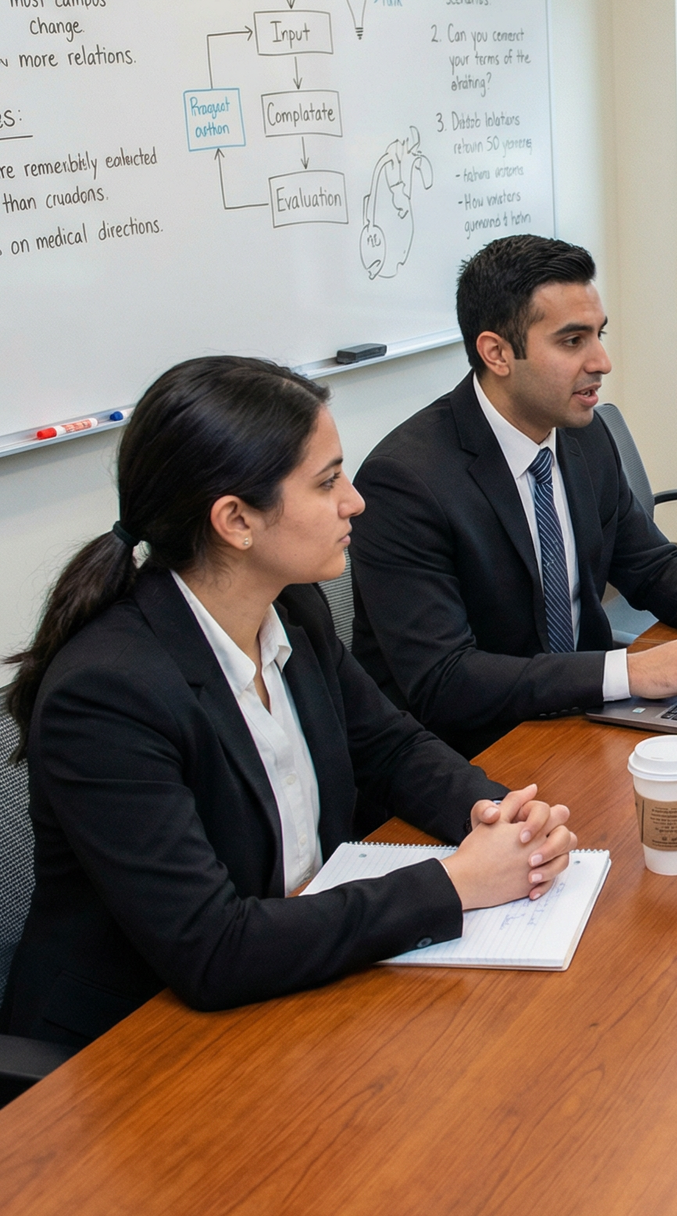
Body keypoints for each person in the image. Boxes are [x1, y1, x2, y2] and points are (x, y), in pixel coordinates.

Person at [1, 357, 576, 1049]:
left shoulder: (292, 609)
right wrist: (456, 884)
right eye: (327, 482)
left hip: (292, 980)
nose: (355, 501)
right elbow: (211, 946)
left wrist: (500, 816)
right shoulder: (107, 693)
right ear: (236, 520)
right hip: (126, 1048)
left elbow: (391, 749)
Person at [350, 234, 677, 758]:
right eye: (572, 341)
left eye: (599, 334)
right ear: (497, 353)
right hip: (473, 749)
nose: (602, 361)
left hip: (583, 718)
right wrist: (627, 671)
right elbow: (444, 680)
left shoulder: (583, 432)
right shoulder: (404, 482)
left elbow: (648, 563)